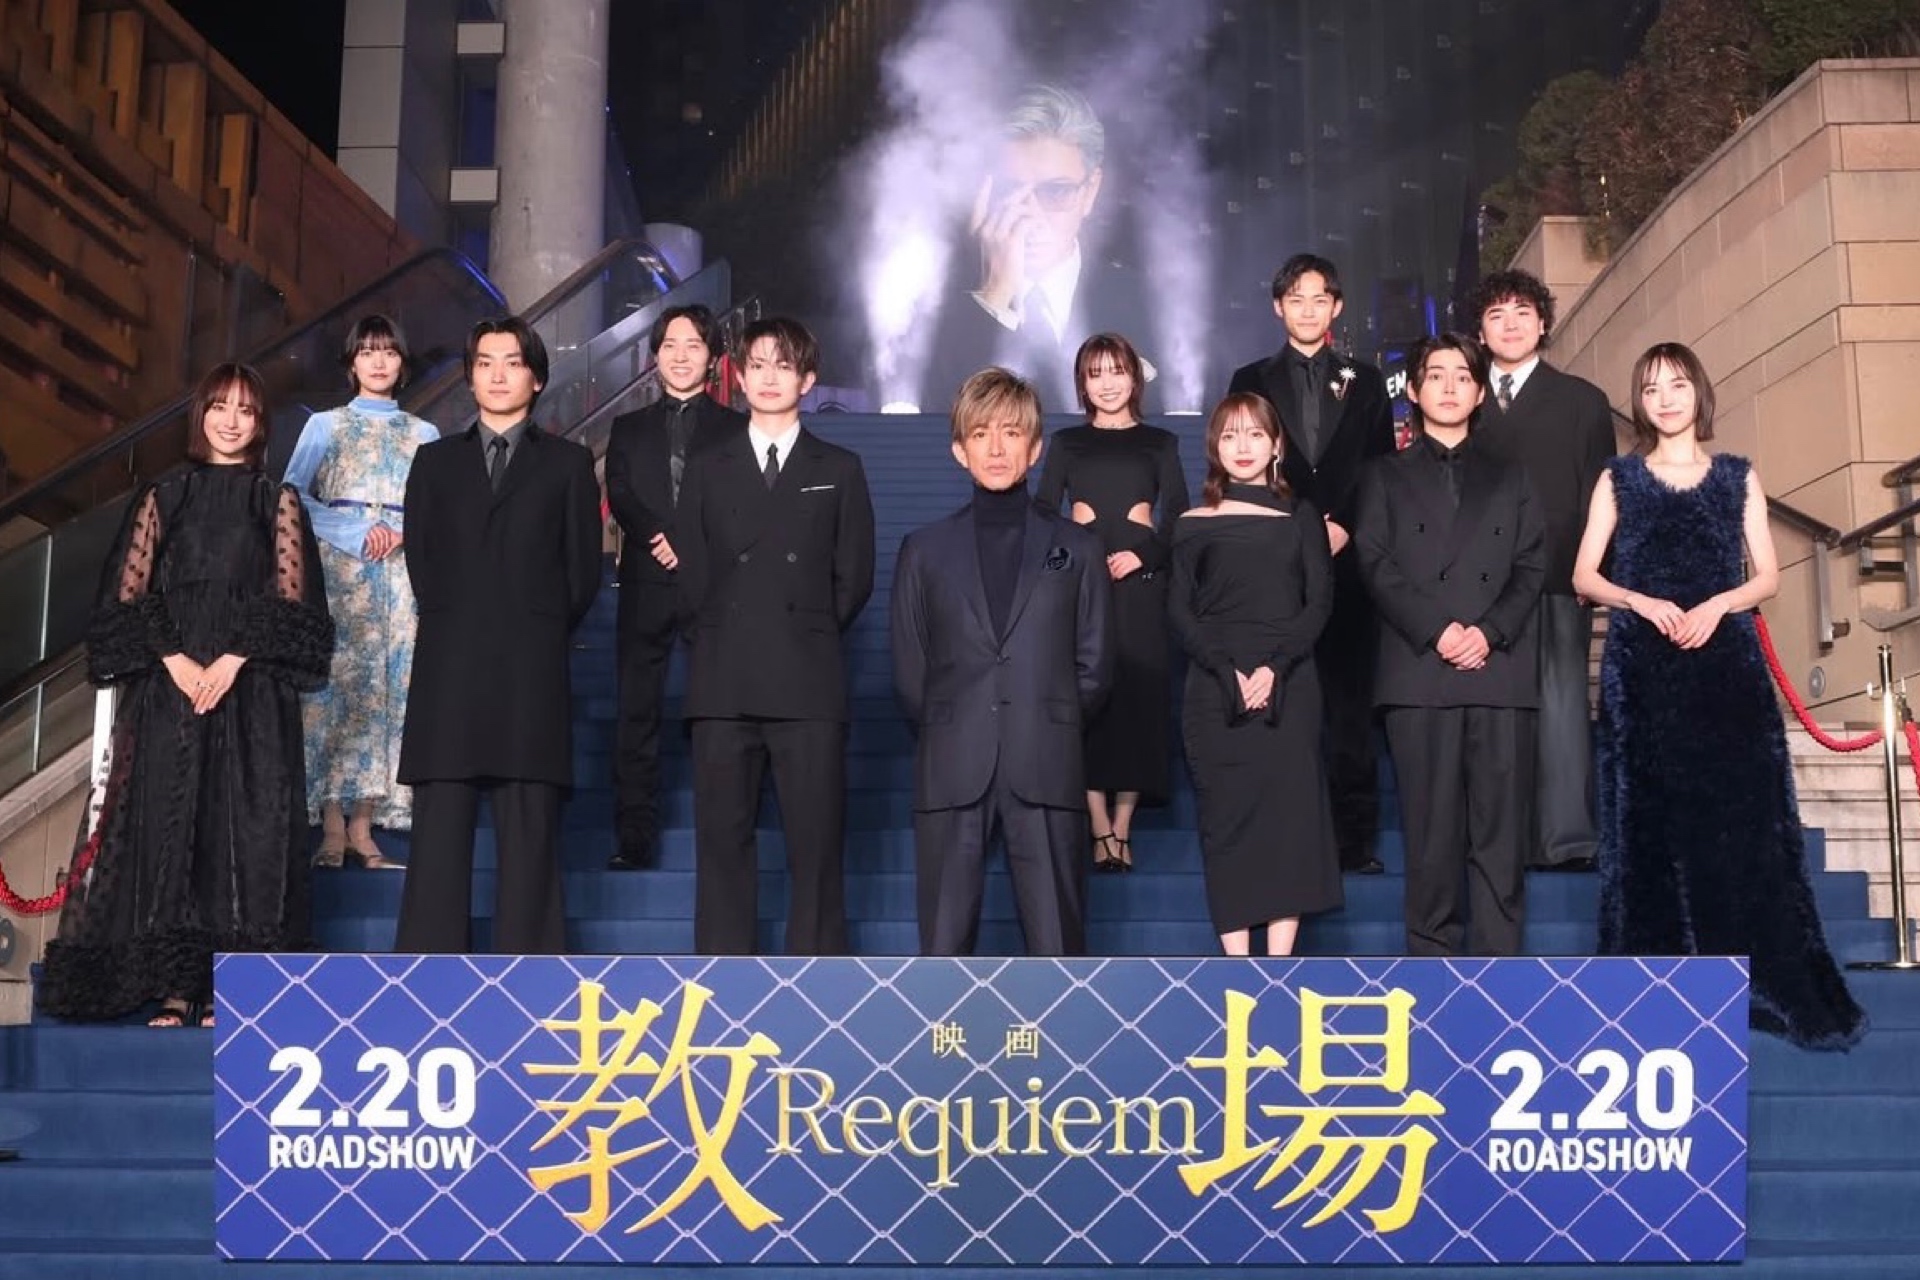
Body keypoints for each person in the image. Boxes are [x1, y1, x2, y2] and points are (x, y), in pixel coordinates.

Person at [1571, 342, 1866, 1050]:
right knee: (1647, 826)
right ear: (1640, 403)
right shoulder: (1618, 478)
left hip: (1725, 662)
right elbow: (1584, 575)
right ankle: (1657, 984)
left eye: (1677, 385)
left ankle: (1756, 979)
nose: (1665, 399)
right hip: (1643, 667)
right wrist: (1639, 600)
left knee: (1743, 822)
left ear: (1699, 393)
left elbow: (1767, 575)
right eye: (1651, 389)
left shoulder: (1737, 476)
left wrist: (1717, 605)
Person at [37, 363, 334, 1026]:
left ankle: (230, 988)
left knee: (246, 834)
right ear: (200, 415)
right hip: (170, 690)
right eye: (219, 406)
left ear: (260, 424)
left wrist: (233, 659)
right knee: (170, 832)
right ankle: (176, 987)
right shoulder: (163, 495)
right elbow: (126, 597)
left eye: (245, 410)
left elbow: (296, 606)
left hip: (251, 692)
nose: (231, 421)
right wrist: (174, 661)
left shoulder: (276, 500)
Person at [394, 317, 601, 955]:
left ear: (536, 378)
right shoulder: (434, 463)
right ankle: (427, 975)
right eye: (484, 363)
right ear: (470, 377)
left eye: (512, 362)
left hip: (530, 671)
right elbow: (422, 562)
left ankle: (531, 976)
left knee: (530, 834)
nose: (498, 375)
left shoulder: (568, 463)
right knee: (438, 839)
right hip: (449, 670)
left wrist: (535, 628)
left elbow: (582, 573)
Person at [893, 368, 1112, 955]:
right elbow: (912, 670)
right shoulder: (923, 550)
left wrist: (1046, 721)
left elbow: (1094, 664)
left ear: (1035, 449)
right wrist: (957, 725)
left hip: (1046, 762)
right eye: (981, 433)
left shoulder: (1079, 547)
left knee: (1058, 951)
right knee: (942, 953)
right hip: (951, 764)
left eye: (1011, 433)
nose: (996, 448)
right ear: (959, 450)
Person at [675, 317, 876, 955]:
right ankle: (722, 982)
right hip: (723, 680)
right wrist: (720, 633)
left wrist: (806, 632)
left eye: (783, 365)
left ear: (807, 380)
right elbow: (691, 570)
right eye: (757, 364)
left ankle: (817, 980)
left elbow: (854, 577)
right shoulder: (707, 466)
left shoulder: (839, 468)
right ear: (738, 376)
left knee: (816, 849)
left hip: (807, 681)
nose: (768, 377)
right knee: (722, 847)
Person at [1354, 332, 1545, 958]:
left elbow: (1531, 563)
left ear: (1479, 391)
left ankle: (1498, 972)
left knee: (1500, 837)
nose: (1449, 387)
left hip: (1499, 669)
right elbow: (1374, 562)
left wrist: (1487, 632)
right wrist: (1438, 630)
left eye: (1463, 376)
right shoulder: (1383, 475)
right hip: (1419, 671)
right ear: (1413, 390)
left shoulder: (1512, 474)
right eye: (1435, 376)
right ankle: (1433, 970)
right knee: (1430, 836)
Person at [1228, 254, 1398, 874]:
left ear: (1337, 307)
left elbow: (1381, 468)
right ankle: (1286, 838)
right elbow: (1240, 466)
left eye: (1319, 298)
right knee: (1282, 705)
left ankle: (1353, 841)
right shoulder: (1249, 378)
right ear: (1278, 307)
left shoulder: (1367, 380)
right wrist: (1299, 528)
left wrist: (1345, 524)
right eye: (1295, 298)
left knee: (1350, 709)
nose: (1307, 309)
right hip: (1277, 560)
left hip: (1350, 566)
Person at [1170, 393, 1339, 955]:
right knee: (1226, 820)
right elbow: (1179, 610)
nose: (1242, 446)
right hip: (1212, 684)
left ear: (1276, 444)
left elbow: (1319, 601)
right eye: (1229, 435)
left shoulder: (1301, 515)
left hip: (1290, 680)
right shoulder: (1190, 522)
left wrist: (1276, 666)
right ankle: (1236, 966)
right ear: (1214, 448)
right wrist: (1226, 670)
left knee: (1289, 820)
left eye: (1254, 434)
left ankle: (1278, 964)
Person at [1470, 269, 1615, 873]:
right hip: (1479, 590)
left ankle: (1566, 839)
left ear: (1544, 323)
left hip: (1559, 578)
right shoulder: (1460, 395)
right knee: (1491, 716)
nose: (1510, 325)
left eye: (1522, 312)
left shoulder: (1583, 400)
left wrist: (1592, 572)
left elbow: (1601, 495)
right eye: (1496, 314)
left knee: (1561, 710)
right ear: (1480, 331)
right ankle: (1496, 838)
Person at [283, 314, 440, 869]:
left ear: (402, 363)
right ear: (351, 362)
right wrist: (353, 532)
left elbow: (438, 507)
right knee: (333, 692)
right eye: (368, 351)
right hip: (339, 571)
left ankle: (363, 825)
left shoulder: (425, 434)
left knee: (389, 690)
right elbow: (291, 497)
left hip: (400, 575)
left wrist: (404, 532)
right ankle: (330, 825)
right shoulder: (324, 426)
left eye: (389, 351)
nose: (378, 361)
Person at [1035, 333, 1187, 871]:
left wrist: (1142, 554)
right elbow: (1043, 514)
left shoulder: (1160, 442)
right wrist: (1081, 547)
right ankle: (1098, 824)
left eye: (1116, 371)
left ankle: (1122, 826)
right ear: (1082, 382)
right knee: (1086, 698)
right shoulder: (1067, 443)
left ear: (1135, 378)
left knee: (1138, 699)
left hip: (1142, 587)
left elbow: (1180, 518)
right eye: (1095, 373)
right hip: (1081, 585)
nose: (1107, 383)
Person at [603, 305, 747, 871]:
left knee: (720, 711)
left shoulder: (737, 427)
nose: (681, 355)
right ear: (655, 355)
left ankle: (726, 831)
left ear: (713, 358)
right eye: (670, 345)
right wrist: (658, 537)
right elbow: (620, 492)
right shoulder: (628, 427)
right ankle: (634, 836)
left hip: (715, 585)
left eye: (693, 345)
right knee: (635, 714)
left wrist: (691, 540)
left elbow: (739, 501)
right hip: (646, 582)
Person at [920, 83, 1151, 411]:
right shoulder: (930, 307)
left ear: (1090, 191)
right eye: (1009, 191)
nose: (1030, 216)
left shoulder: (1144, 304)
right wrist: (994, 296)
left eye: (1056, 192)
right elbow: (937, 418)